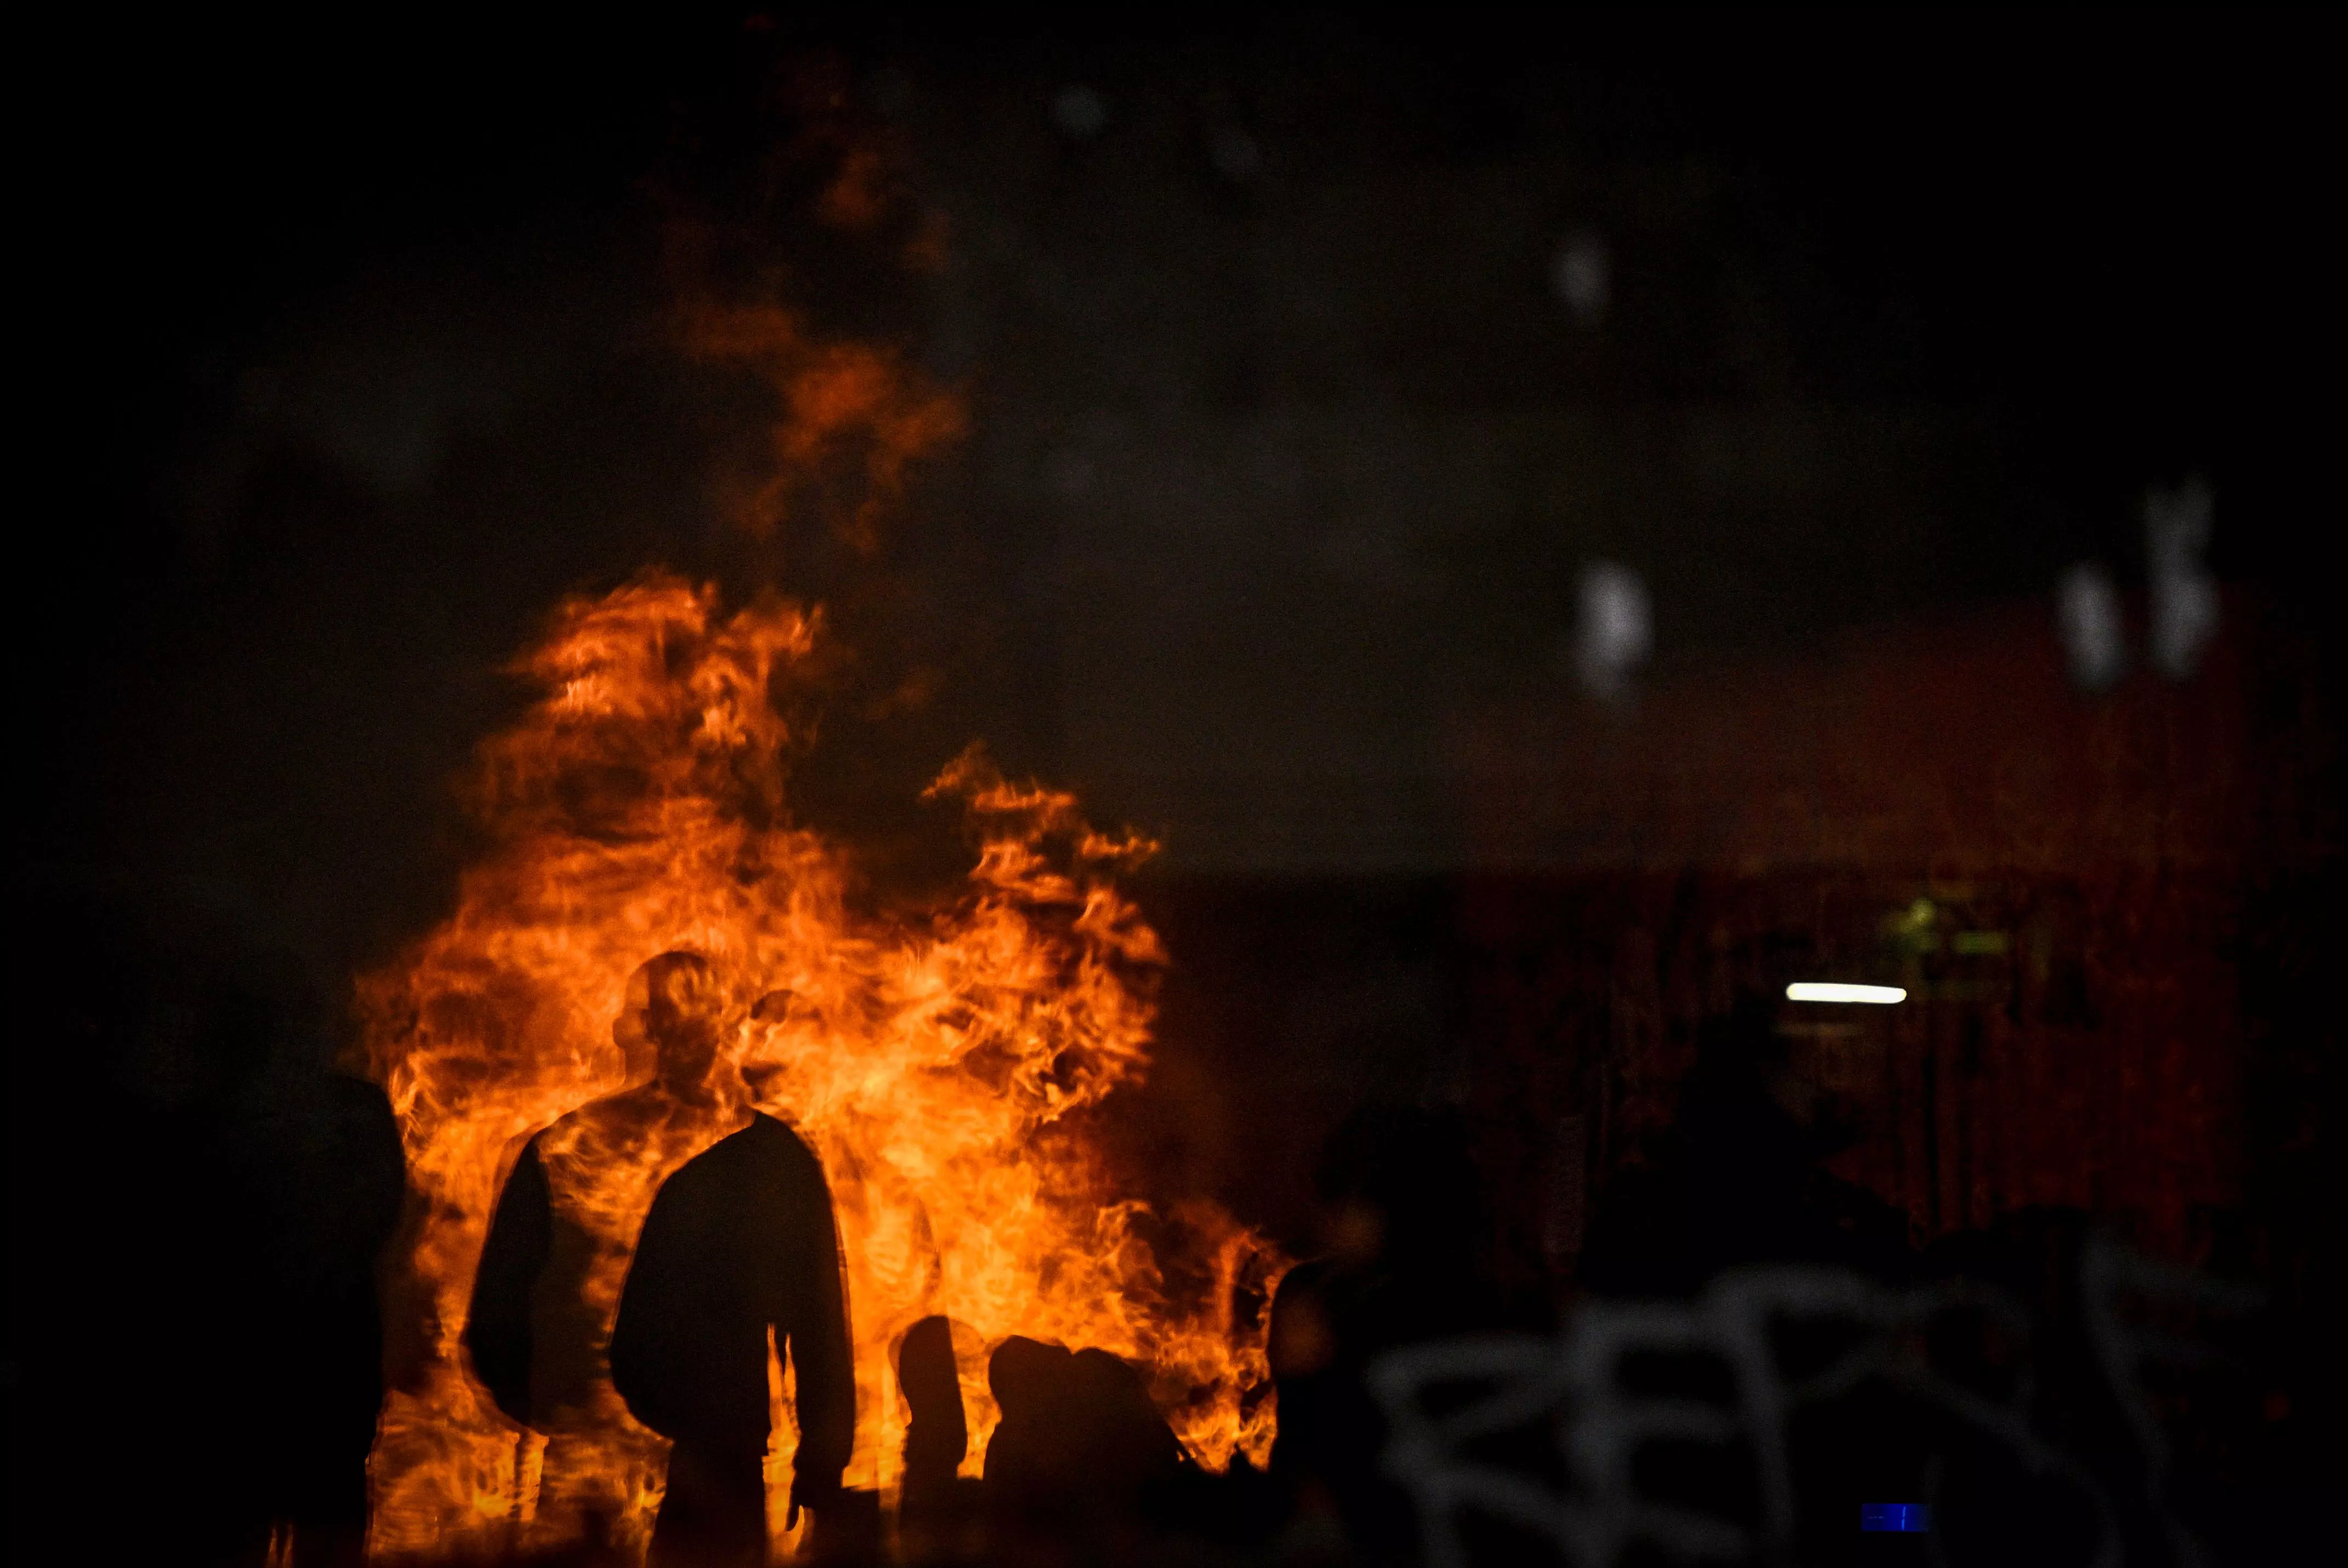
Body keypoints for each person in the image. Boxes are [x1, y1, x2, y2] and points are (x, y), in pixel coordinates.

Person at [468, 952, 854, 1564]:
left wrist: (544, 1405)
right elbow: (819, 1325)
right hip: (711, 1453)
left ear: (643, 1028)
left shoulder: (561, 1147)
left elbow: (498, 1309)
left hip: (615, 1448)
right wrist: (823, 1459)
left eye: (631, 1013)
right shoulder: (776, 1160)